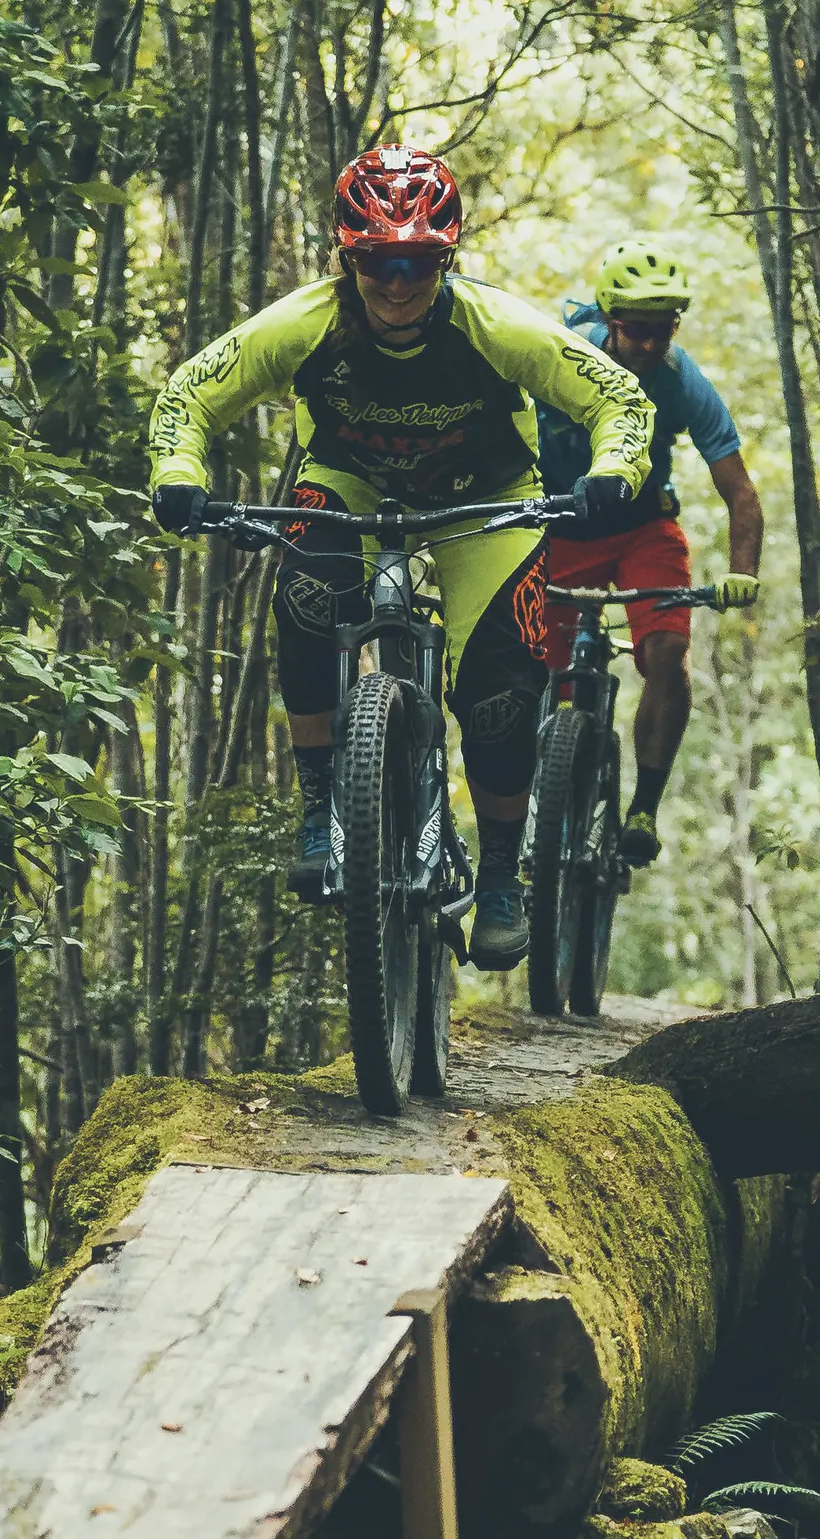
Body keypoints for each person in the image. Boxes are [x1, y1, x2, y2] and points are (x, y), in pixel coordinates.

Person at [145, 146, 655, 970]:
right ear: (349, 256)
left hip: (485, 497)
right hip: (350, 483)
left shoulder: (497, 327)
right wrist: (177, 475)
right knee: (309, 592)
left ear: (445, 254)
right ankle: (320, 806)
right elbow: (192, 392)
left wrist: (613, 472)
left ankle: (497, 877)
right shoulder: (306, 323)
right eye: (378, 261)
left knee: (499, 689)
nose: (397, 282)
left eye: (416, 261)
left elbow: (617, 396)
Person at [531, 240, 764, 866]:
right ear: (611, 322)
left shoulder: (679, 377)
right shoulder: (557, 362)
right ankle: (541, 806)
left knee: (666, 653)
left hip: (643, 532)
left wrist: (744, 573)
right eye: (639, 330)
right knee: (534, 676)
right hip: (557, 532)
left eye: (665, 329)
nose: (653, 343)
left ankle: (642, 808)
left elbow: (739, 489)